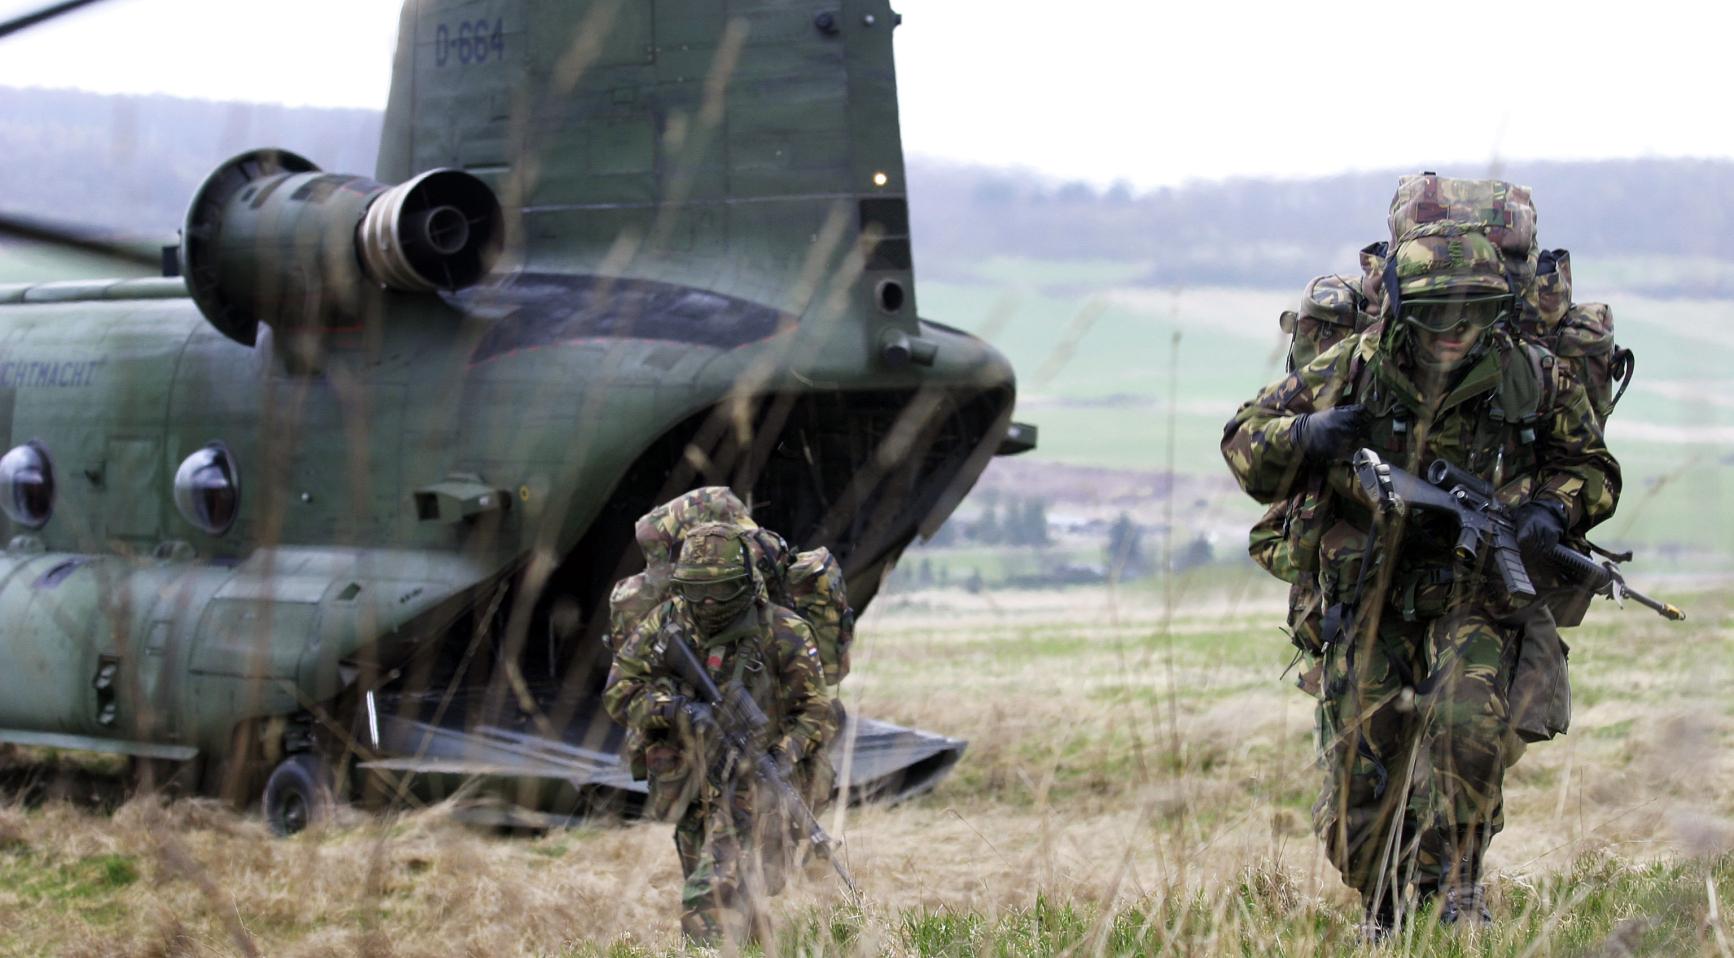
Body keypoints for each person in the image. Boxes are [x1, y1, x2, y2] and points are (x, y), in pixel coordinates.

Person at [1221, 219, 1620, 935]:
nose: (1453, 330)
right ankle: (1387, 905)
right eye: (1436, 312)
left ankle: (1459, 892)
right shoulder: (1351, 366)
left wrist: (1549, 512)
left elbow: (1592, 468)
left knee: (1468, 728)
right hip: (1367, 596)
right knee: (1358, 790)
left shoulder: (1529, 373)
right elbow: (1245, 443)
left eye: (1470, 313)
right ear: (1406, 309)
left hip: (1475, 593)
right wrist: (1307, 436)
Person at [603, 521, 837, 944]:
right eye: (695, 591)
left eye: (721, 590)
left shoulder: (784, 633)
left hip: (756, 790)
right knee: (725, 893)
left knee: (711, 898)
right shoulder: (665, 624)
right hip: (691, 786)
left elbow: (818, 710)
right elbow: (619, 692)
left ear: (745, 585)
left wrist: (783, 754)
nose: (708, 602)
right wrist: (678, 711)